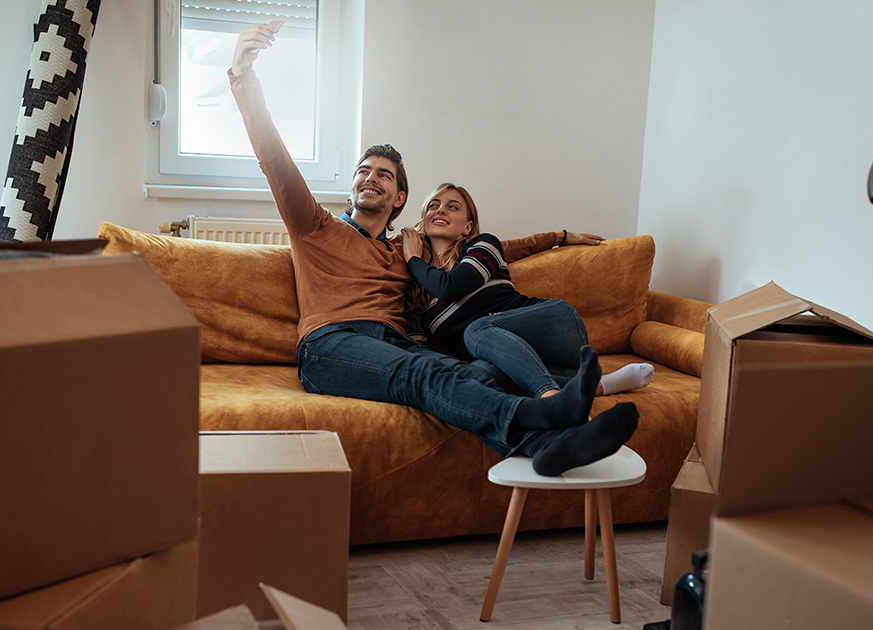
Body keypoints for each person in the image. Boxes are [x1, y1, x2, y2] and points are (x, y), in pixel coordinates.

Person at [226, 22, 639, 476]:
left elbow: (487, 247)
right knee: (422, 376)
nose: (371, 178)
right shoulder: (315, 227)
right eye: (364, 171)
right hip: (332, 345)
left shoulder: (407, 249)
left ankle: (548, 447)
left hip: (395, 342)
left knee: (479, 372)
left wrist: (558, 237)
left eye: (384, 175)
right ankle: (545, 417)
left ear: (399, 198)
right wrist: (244, 76)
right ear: (352, 188)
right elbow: (275, 161)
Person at [401, 183, 655, 399]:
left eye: (452, 206)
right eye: (433, 205)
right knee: (479, 375)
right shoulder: (421, 293)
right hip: (522, 363)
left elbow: (451, 287)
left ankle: (551, 400)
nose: (441, 209)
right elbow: (428, 350)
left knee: (477, 329)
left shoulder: (483, 245)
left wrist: (413, 259)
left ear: (468, 227)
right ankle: (599, 385)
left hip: (554, 328)